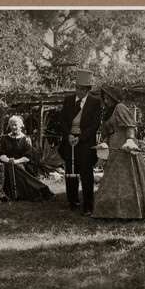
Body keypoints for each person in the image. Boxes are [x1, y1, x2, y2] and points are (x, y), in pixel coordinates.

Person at [92, 86, 145, 220]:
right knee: (114, 177)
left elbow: (130, 127)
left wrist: (130, 141)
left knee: (128, 177)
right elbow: (108, 133)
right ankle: (113, 211)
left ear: (114, 98)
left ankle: (133, 211)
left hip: (124, 146)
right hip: (114, 148)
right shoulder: (109, 113)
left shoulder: (120, 108)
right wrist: (103, 145)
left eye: (108, 98)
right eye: (104, 98)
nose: (105, 101)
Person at [58, 69, 101, 215]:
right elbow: (63, 120)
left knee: (86, 174)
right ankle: (72, 201)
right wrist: (68, 135)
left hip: (85, 143)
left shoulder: (95, 102)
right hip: (69, 141)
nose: (78, 91)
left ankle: (88, 204)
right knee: (70, 173)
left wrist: (80, 137)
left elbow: (95, 125)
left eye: (82, 89)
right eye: (77, 88)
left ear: (88, 89)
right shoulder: (68, 100)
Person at [0, 116, 53, 201]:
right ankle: (38, 188)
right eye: (11, 125)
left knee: (16, 167)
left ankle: (37, 189)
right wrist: (8, 160)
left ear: (21, 125)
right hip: (6, 162)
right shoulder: (4, 138)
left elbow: (28, 157)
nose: (13, 127)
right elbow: (1, 153)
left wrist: (16, 161)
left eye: (15, 125)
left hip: (21, 163)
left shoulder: (25, 139)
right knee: (9, 167)